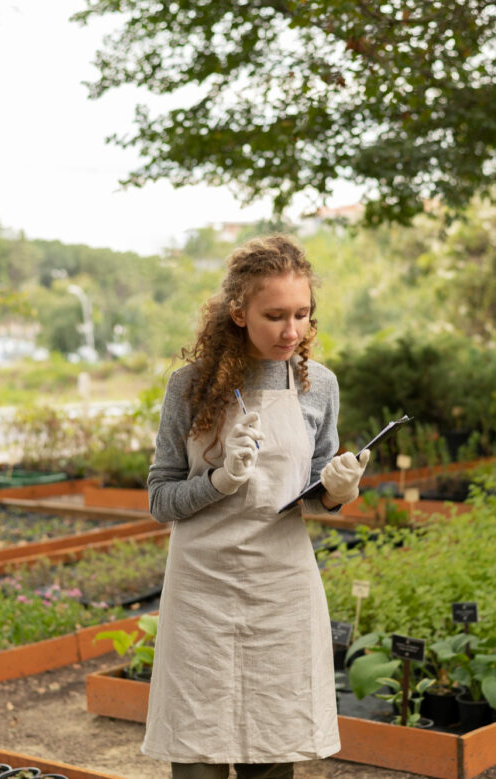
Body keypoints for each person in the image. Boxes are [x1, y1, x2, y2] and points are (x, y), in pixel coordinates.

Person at [142, 234, 371, 779]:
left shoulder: (319, 387)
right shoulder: (190, 387)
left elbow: (316, 489)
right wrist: (219, 481)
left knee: (272, 749)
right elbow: (159, 498)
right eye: (275, 316)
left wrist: (338, 490)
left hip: (280, 590)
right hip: (202, 590)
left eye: (302, 315)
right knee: (197, 752)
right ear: (238, 312)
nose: (292, 331)